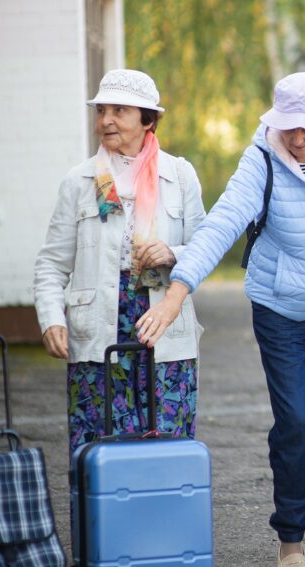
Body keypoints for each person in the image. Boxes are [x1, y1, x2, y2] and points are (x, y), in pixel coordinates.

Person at [136, 72, 305, 567]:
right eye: (289, 126)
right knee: (297, 424)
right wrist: (177, 293)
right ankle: (291, 540)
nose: (298, 138)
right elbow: (222, 224)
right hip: (281, 308)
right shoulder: (262, 159)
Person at [34, 69, 205, 454]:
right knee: (98, 446)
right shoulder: (80, 180)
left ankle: (164, 516)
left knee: (167, 443)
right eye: (101, 111)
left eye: (119, 110)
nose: (105, 120)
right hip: (98, 333)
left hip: (164, 329)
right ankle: (102, 517)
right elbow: (50, 265)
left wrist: (173, 253)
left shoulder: (179, 175)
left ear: (148, 119)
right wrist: (51, 320)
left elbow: (204, 247)